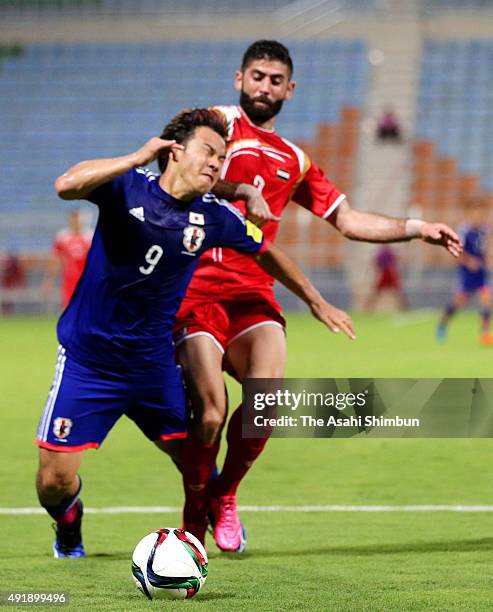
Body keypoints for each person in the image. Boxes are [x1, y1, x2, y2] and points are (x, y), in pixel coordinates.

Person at [173, 40, 462, 552]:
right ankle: (196, 510)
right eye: (257, 76)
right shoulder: (215, 125)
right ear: (239, 78)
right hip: (195, 288)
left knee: (266, 401)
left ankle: (225, 495)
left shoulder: (295, 159)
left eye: (275, 79)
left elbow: (348, 221)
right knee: (211, 414)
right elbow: (176, 176)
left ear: (291, 88)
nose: (265, 86)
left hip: (255, 291)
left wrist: (418, 227)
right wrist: (242, 191)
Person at [35, 107, 354, 558]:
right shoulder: (127, 186)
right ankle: (68, 525)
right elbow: (66, 184)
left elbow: (267, 252)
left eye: (221, 158)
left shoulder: (214, 216)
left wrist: (316, 300)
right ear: (175, 151)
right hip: (90, 364)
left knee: (196, 457)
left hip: (153, 365)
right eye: (208, 152)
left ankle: (211, 514)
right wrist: (137, 156)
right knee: (53, 482)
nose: (216, 164)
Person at [437, 198, 492, 345]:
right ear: (470, 214)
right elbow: (456, 252)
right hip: (467, 272)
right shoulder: (463, 230)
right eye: (475, 213)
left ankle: (485, 333)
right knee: (459, 302)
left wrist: (487, 260)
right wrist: (469, 261)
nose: (477, 216)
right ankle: (442, 325)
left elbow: (485, 248)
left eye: (480, 213)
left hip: (481, 272)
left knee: (486, 299)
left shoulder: (485, 230)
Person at [42, 209, 93, 309]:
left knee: (87, 308)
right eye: (73, 218)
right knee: (68, 308)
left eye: (77, 218)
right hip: (69, 279)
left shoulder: (90, 237)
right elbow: (56, 260)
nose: (75, 221)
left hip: (87, 279)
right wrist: (48, 281)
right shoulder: (62, 237)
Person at [364, 245, 408, 311]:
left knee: (397, 292)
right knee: (378, 292)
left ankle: (405, 308)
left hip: (389, 273)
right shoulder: (383, 252)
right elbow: (376, 263)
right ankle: (368, 308)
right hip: (386, 273)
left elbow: (376, 263)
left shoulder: (387, 252)